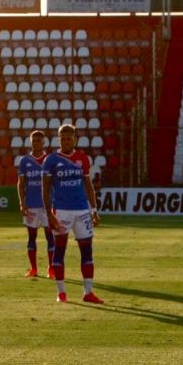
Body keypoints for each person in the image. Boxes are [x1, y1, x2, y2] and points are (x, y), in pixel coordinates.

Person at [41, 124, 103, 304]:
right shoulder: (51, 160)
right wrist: (49, 214)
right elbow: (45, 189)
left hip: (82, 211)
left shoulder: (82, 159)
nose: (65, 141)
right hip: (61, 211)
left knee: (87, 251)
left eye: (69, 138)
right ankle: (61, 293)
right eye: (62, 138)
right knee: (59, 250)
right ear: (58, 139)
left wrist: (94, 210)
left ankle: (88, 292)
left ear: (75, 139)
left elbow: (88, 186)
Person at [15, 129, 55, 278]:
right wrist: (22, 203)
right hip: (31, 204)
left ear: (43, 142)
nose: (36, 143)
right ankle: (33, 269)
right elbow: (20, 183)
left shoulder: (50, 160)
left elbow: (54, 183)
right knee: (31, 237)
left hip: (47, 205)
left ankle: (51, 269)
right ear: (30, 142)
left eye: (39, 141)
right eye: (34, 141)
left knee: (50, 237)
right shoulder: (25, 161)